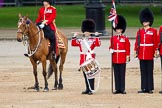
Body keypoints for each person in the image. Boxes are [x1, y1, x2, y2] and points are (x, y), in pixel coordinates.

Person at [71, 19, 101, 95]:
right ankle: (87, 88)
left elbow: (98, 44)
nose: (86, 33)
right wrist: (74, 36)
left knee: (91, 75)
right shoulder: (81, 40)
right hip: (83, 60)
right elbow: (73, 44)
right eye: (85, 31)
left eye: (88, 31)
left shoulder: (93, 40)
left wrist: (97, 36)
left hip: (89, 59)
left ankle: (91, 89)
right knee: (85, 75)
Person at [134, 8, 158, 94]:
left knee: (149, 71)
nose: (144, 22)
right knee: (143, 71)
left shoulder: (153, 31)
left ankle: (150, 88)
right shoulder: (140, 31)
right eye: (143, 21)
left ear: (149, 21)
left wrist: (155, 52)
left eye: (146, 21)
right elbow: (137, 42)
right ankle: (144, 87)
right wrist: (136, 51)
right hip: (142, 54)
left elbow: (155, 42)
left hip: (149, 53)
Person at [109, 15, 130, 94]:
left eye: (120, 29)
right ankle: (117, 88)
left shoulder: (125, 38)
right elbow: (111, 46)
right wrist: (110, 49)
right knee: (116, 74)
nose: (118, 30)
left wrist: (127, 57)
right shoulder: (113, 38)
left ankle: (122, 89)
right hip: (115, 58)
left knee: (122, 74)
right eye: (117, 29)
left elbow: (127, 48)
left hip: (122, 58)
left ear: (122, 30)